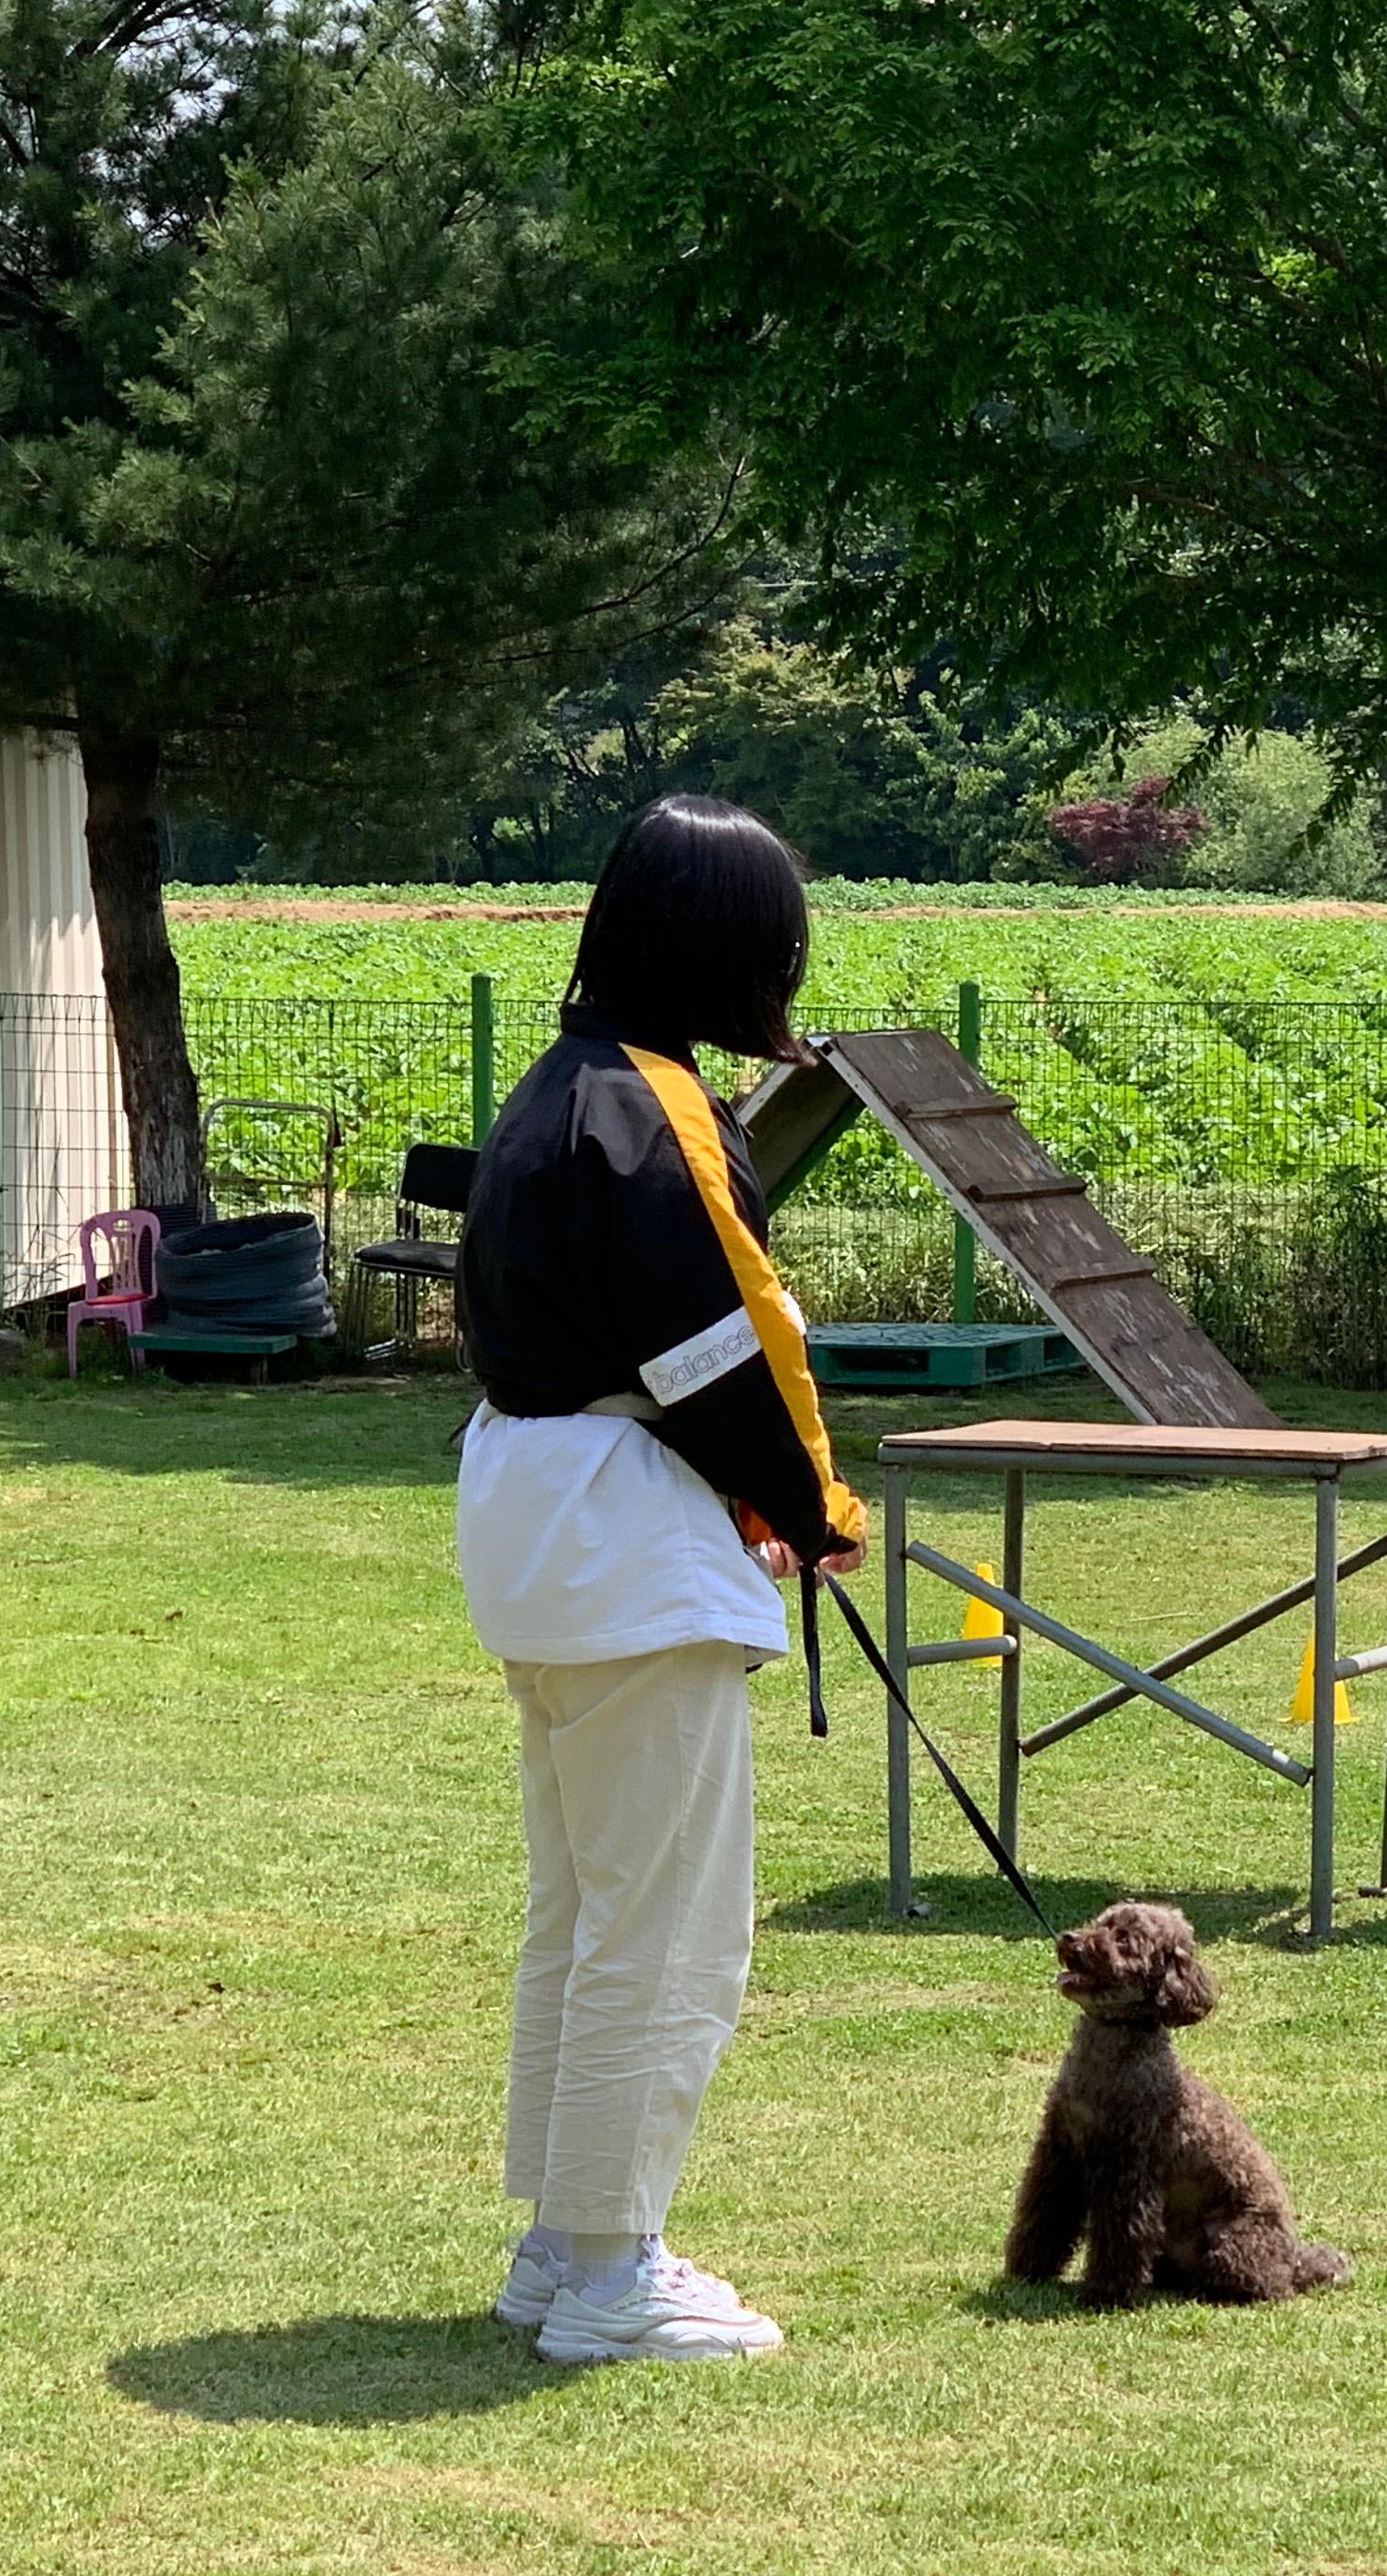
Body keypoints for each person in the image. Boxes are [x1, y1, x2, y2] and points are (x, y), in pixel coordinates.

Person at [452, 794, 865, 2362]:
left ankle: (562, 2242)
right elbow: (728, 1342)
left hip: (537, 1517)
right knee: (666, 1925)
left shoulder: (555, 1086)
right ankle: (615, 2261)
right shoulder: (657, 1104)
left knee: (583, 1910)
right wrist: (809, 1499)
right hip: (624, 1534)